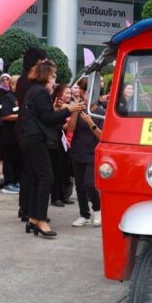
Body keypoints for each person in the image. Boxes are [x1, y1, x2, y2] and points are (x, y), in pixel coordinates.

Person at [21, 60, 85, 238]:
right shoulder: (40, 91)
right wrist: (69, 109)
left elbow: (45, 117)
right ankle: (41, 220)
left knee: (37, 179)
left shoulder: (34, 91)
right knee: (46, 177)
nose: (55, 79)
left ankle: (33, 218)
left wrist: (61, 110)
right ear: (46, 75)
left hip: (31, 138)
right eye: (53, 75)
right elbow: (48, 119)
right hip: (36, 139)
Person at [15, 47, 47, 221]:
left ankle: (25, 208)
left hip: (22, 127)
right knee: (33, 172)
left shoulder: (22, 79)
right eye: (43, 61)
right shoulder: (33, 83)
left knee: (28, 170)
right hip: (30, 129)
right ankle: (29, 210)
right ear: (37, 62)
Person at [68, 85, 104, 227]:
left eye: (91, 93)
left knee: (89, 183)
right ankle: (84, 214)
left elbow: (102, 136)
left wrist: (90, 122)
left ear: (98, 96)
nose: (88, 96)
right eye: (87, 93)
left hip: (92, 153)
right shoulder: (79, 109)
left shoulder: (101, 113)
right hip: (78, 151)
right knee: (79, 185)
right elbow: (70, 129)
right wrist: (75, 112)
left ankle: (97, 209)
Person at [50, 82, 75, 208]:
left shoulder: (69, 107)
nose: (69, 95)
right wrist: (64, 125)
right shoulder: (55, 106)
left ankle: (63, 195)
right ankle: (55, 197)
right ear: (59, 94)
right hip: (55, 141)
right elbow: (53, 123)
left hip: (65, 141)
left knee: (65, 168)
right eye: (67, 93)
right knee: (57, 169)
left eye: (70, 93)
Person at [0, 74, 21, 194]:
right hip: (9, 135)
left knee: (17, 159)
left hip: (18, 135)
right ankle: (8, 183)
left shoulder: (20, 97)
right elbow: (5, 116)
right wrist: (20, 116)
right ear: (12, 85)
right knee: (9, 160)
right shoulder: (8, 98)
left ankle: (16, 181)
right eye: (18, 83)